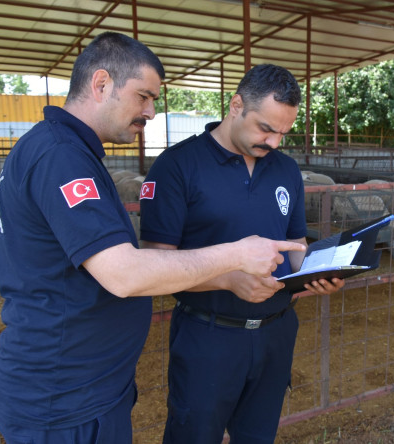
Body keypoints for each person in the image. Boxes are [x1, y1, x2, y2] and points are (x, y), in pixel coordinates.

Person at [0, 34, 304, 444]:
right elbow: (124, 273)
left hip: (85, 386)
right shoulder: (59, 156)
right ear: (101, 84)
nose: (152, 111)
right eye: (143, 96)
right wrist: (236, 257)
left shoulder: (72, 153)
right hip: (63, 396)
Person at [139, 63, 344, 443]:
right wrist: (229, 280)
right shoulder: (177, 166)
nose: (274, 143)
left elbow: (295, 245)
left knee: (257, 435)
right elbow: (151, 264)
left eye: (283, 132)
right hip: (209, 333)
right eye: (266, 128)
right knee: (193, 435)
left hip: (276, 330)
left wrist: (316, 270)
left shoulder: (285, 169)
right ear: (236, 105)